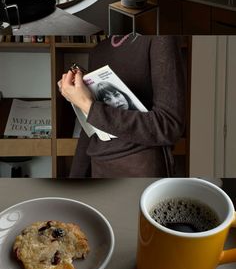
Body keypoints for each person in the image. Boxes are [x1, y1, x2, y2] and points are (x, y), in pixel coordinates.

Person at [58, 35, 186, 178]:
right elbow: (91, 128)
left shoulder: (159, 39)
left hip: (140, 166)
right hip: (98, 165)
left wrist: (87, 104)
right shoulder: (98, 50)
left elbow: (169, 125)